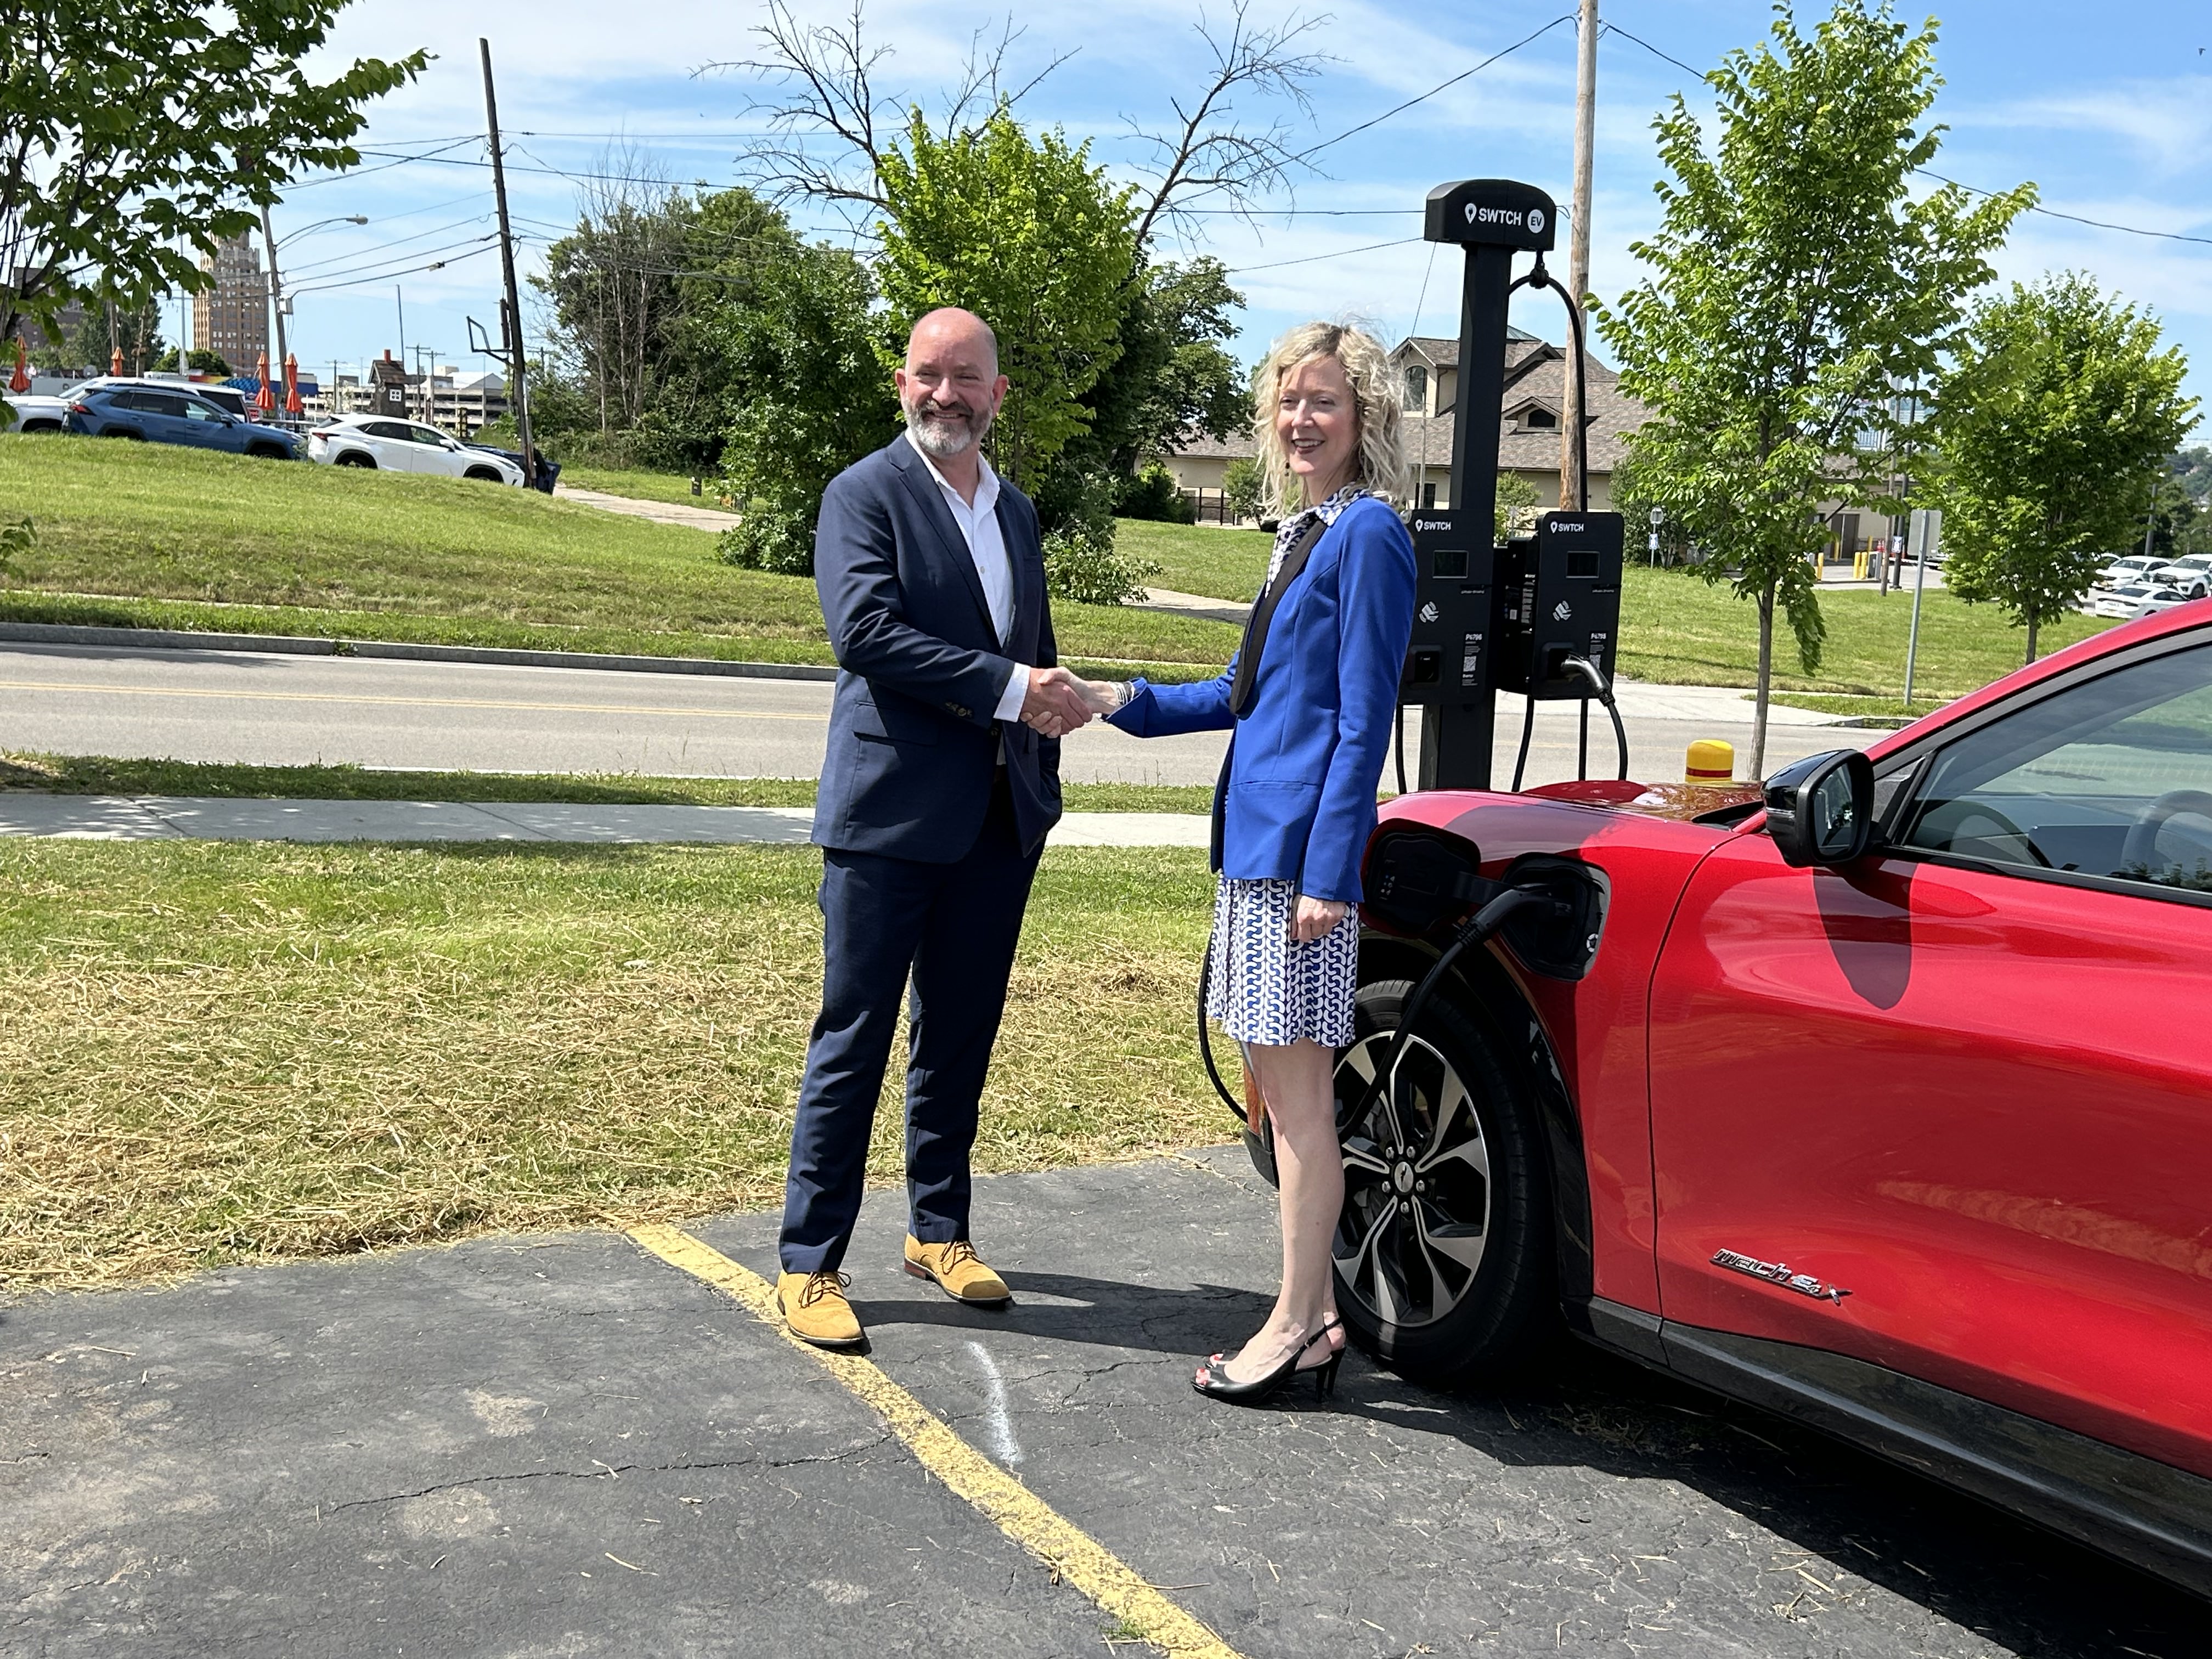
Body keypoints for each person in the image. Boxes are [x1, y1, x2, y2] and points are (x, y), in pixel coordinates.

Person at [1079, 321, 1415, 1403]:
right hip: (1254, 855)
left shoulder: (1366, 536)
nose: (1301, 418)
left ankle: (1302, 1321)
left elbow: (1364, 719)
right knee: (1278, 1094)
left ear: (1364, 417)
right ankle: (1303, 1310)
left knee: (1302, 1105)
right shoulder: (1299, 532)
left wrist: (1330, 873)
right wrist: (1115, 701)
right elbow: (1240, 692)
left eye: (1323, 400)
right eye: (1287, 400)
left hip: (1297, 873)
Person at [776, 306, 1097, 1351]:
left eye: (965, 378)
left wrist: (1048, 717)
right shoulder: (862, 494)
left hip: (999, 823)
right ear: (901, 383)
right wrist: (1013, 688)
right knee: (855, 1037)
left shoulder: (1016, 512)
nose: (944, 394)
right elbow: (865, 632)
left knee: (959, 1034)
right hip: (889, 820)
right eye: (927, 375)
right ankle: (810, 1259)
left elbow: (1029, 646)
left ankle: (938, 1229)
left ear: (997, 395)